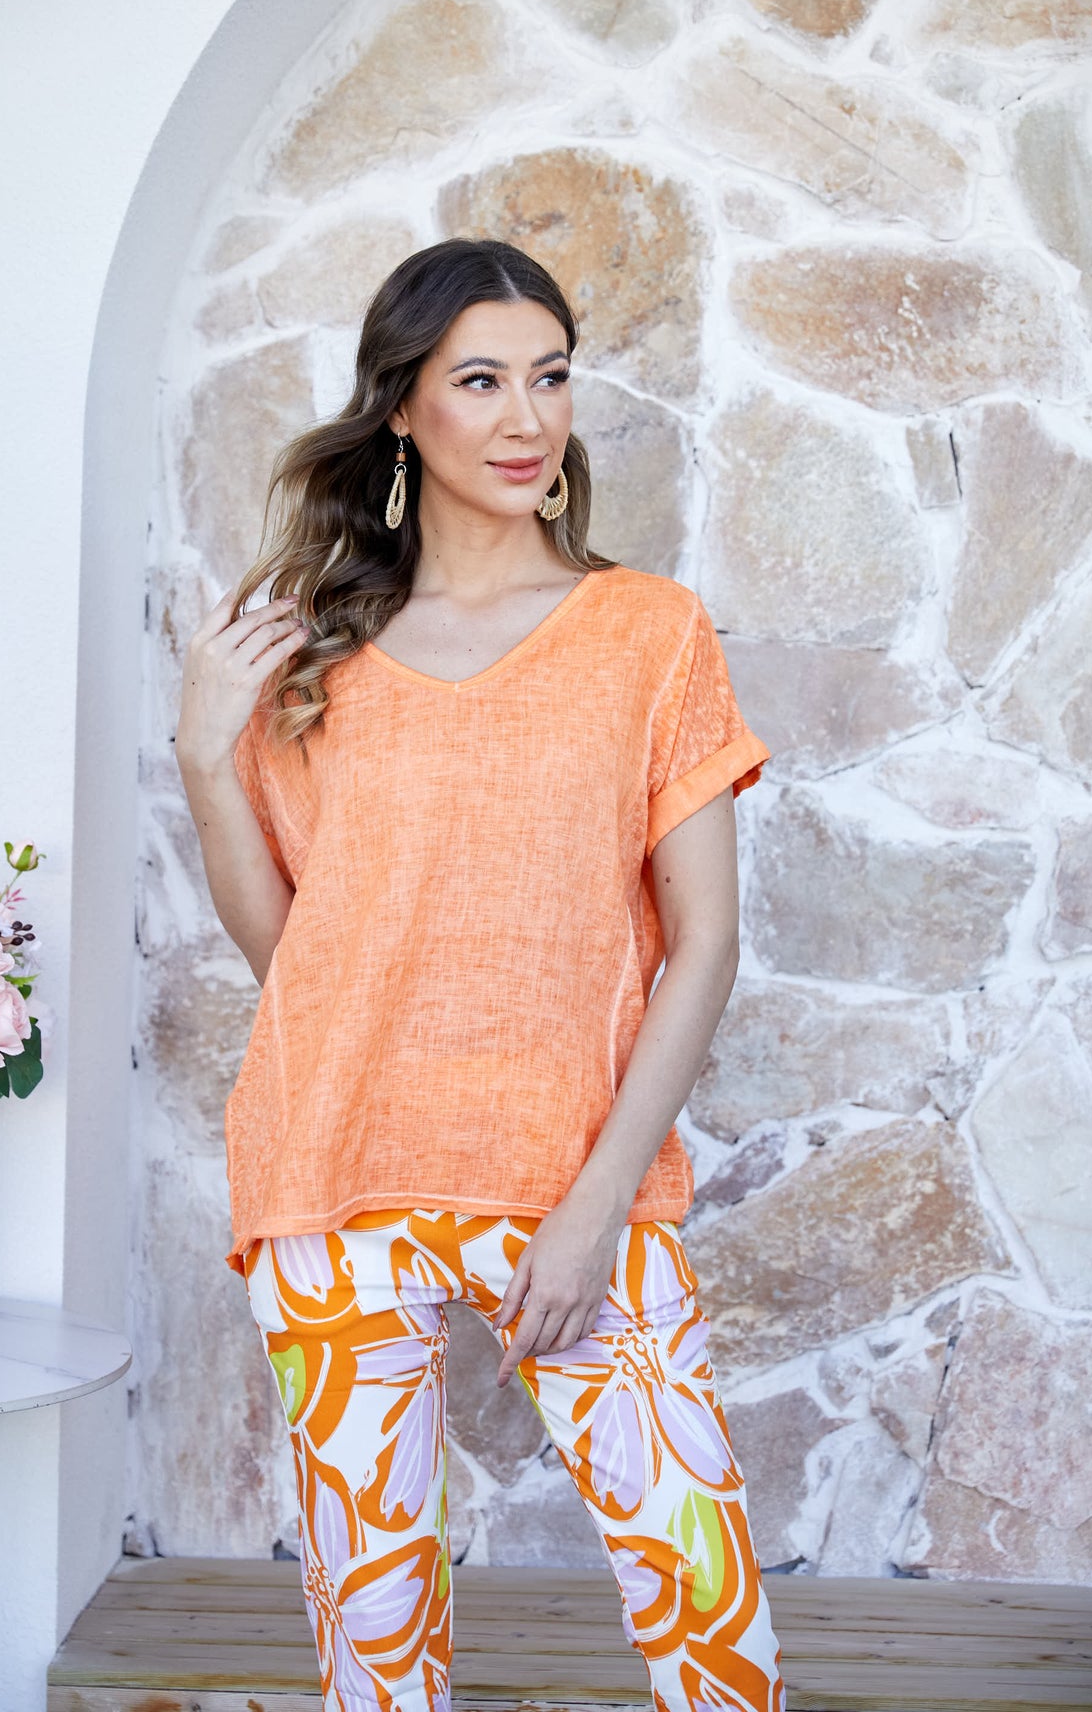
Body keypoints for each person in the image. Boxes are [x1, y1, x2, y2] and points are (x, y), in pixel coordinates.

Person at [176, 238, 785, 1712]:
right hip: (334, 1180)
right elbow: (299, 964)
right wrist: (204, 754)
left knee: (712, 1621)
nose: (527, 420)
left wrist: (596, 1209)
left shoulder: (646, 633)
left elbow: (705, 941)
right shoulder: (321, 654)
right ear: (403, 408)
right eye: (482, 381)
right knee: (377, 1654)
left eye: (551, 378)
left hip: (572, 1180)